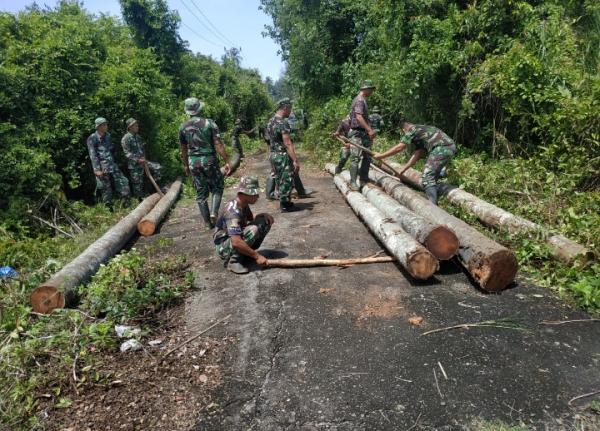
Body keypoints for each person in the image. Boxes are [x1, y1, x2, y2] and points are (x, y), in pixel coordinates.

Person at [373, 120, 456, 205]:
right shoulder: (421, 131)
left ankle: (432, 206)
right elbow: (417, 153)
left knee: (427, 176)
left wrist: (381, 156)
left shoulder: (412, 130)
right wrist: (403, 169)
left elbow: (400, 147)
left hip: (442, 148)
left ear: (404, 130)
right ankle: (436, 198)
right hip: (450, 148)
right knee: (433, 177)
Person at [179, 97, 231, 228]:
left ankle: (207, 223)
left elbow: (183, 149)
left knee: (201, 194)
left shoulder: (183, 127)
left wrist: (186, 165)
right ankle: (214, 212)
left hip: (193, 162)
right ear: (199, 109)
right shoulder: (210, 123)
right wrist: (226, 161)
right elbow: (218, 143)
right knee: (217, 187)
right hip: (209, 160)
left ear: (188, 111)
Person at [213, 176, 274, 274]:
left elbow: (251, 218)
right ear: (245, 194)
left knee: (264, 221)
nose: (257, 196)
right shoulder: (232, 212)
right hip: (224, 246)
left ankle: (245, 253)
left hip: (235, 239)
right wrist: (257, 256)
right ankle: (233, 261)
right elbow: (236, 242)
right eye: (255, 193)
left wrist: (262, 215)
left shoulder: (243, 204)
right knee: (253, 230)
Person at [86, 117, 130, 208]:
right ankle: (108, 208)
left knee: (123, 181)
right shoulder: (92, 138)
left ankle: (126, 204)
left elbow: (110, 150)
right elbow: (93, 155)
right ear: (98, 126)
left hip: (112, 165)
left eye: (106, 124)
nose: (106, 126)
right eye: (104, 125)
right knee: (106, 189)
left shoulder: (108, 136)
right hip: (102, 168)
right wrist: (97, 170)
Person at [266, 98, 301, 212]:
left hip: (273, 154)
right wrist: (295, 160)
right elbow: (287, 143)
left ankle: (285, 202)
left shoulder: (270, 121)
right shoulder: (283, 122)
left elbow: (269, 139)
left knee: (278, 178)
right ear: (285, 108)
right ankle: (285, 204)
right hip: (282, 156)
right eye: (290, 108)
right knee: (286, 179)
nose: (290, 111)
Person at [121, 118, 162, 197]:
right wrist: (138, 160)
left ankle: (152, 189)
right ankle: (139, 200)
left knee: (158, 167)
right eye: (135, 126)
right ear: (130, 127)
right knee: (137, 184)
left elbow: (142, 150)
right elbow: (127, 153)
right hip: (134, 165)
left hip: (144, 162)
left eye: (137, 125)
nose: (137, 127)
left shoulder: (138, 137)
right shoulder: (125, 138)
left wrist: (144, 159)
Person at [348, 80, 376, 190]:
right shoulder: (359, 100)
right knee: (355, 158)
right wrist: (369, 130)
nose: (372, 92)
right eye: (371, 90)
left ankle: (364, 179)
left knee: (367, 156)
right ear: (365, 89)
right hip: (357, 133)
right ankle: (353, 182)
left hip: (363, 133)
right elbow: (359, 118)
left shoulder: (362, 100)